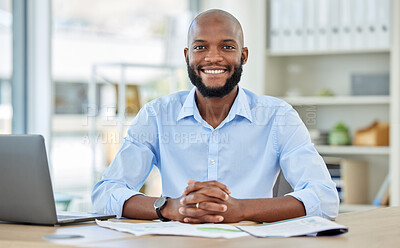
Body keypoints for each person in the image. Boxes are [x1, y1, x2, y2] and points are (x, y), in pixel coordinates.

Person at [92, 9, 339, 223]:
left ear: (243, 55)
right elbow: (105, 195)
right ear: (187, 55)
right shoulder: (157, 115)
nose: (213, 57)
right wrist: (172, 208)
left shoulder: (278, 116)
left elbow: (325, 198)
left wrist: (241, 209)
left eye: (227, 46)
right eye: (201, 47)